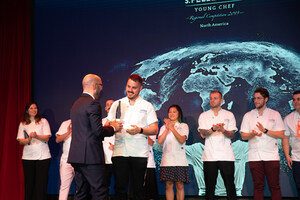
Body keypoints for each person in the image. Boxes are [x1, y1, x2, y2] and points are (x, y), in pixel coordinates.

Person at [67, 74, 122, 200]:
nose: (101, 88)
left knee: (81, 193)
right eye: (101, 85)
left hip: (76, 156)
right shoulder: (92, 103)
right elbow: (97, 131)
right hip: (90, 156)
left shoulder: (76, 103)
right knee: (100, 191)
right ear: (94, 85)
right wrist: (113, 128)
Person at [107, 74, 158, 200]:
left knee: (138, 189)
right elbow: (107, 125)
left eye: (134, 88)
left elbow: (154, 129)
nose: (130, 90)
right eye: (128, 86)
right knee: (120, 189)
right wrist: (113, 125)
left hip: (139, 153)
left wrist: (140, 130)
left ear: (140, 88)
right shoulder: (117, 104)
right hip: (120, 152)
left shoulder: (147, 105)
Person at [241, 87, 285, 200]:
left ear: (266, 99)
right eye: (255, 98)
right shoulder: (248, 115)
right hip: (254, 156)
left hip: (271, 156)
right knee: (258, 186)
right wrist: (253, 134)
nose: (256, 101)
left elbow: (281, 134)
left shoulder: (275, 114)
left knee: (274, 186)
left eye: (259, 98)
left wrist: (265, 131)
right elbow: (243, 136)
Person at [198, 91, 237, 200]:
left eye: (215, 98)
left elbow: (232, 134)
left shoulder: (229, 115)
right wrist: (213, 129)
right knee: (209, 187)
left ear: (222, 100)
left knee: (230, 186)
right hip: (210, 156)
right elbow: (203, 134)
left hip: (226, 155)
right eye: (211, 98)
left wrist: (223, 130)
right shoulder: (204, 116)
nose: (212, 100)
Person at [16, 102, 52, 200]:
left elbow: (47, 137)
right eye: (31, 108)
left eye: (35, 108)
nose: (34, 110)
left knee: (41, 185)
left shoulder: (43, 121)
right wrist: (28, 140)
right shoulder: (23, 123)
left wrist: (36, 136)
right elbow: (20, 140)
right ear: (27, 110)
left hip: (43, 157)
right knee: (29, 184)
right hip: (28, 157)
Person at [158, 105, 190, 200]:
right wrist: (167, 128)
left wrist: (172, 128)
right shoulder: (164, 127)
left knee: (179, 184)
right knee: (168, 184)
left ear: (178, 113)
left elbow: (181, 140)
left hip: (179, 160)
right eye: (170, 112)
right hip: (167, 160)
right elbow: (160, 141)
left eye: (174, 112)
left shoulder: (183, 126)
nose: (171, 114)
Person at [282, 90, 300, 199]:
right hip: (297, 159)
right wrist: (287, 156)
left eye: (298, 99)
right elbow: (285, 138)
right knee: (299, 186)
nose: (296, 102)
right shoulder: (288, 118)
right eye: (294, 100)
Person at [56, 119, 74, 200]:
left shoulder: (84, 121)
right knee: (64, 186)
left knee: (82, 186)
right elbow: (58, 139)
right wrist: (68, 133)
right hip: (66, 160)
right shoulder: (65, 123)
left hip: (81, 160)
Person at [102, 99, 115, 198]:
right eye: (108, 105)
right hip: (104, 159)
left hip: (117, 156)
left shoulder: (120, 122)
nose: (110, 106)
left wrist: (116, 146)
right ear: (105, 108)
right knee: (103, 185)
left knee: (120, 185)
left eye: (112, 104)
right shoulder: (101, 122)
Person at [144, 135, 159, 200]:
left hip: (149, 163)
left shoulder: (151, 129)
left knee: (150, 191)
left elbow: (151, 142)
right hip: (136, 161)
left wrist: (143, 132)